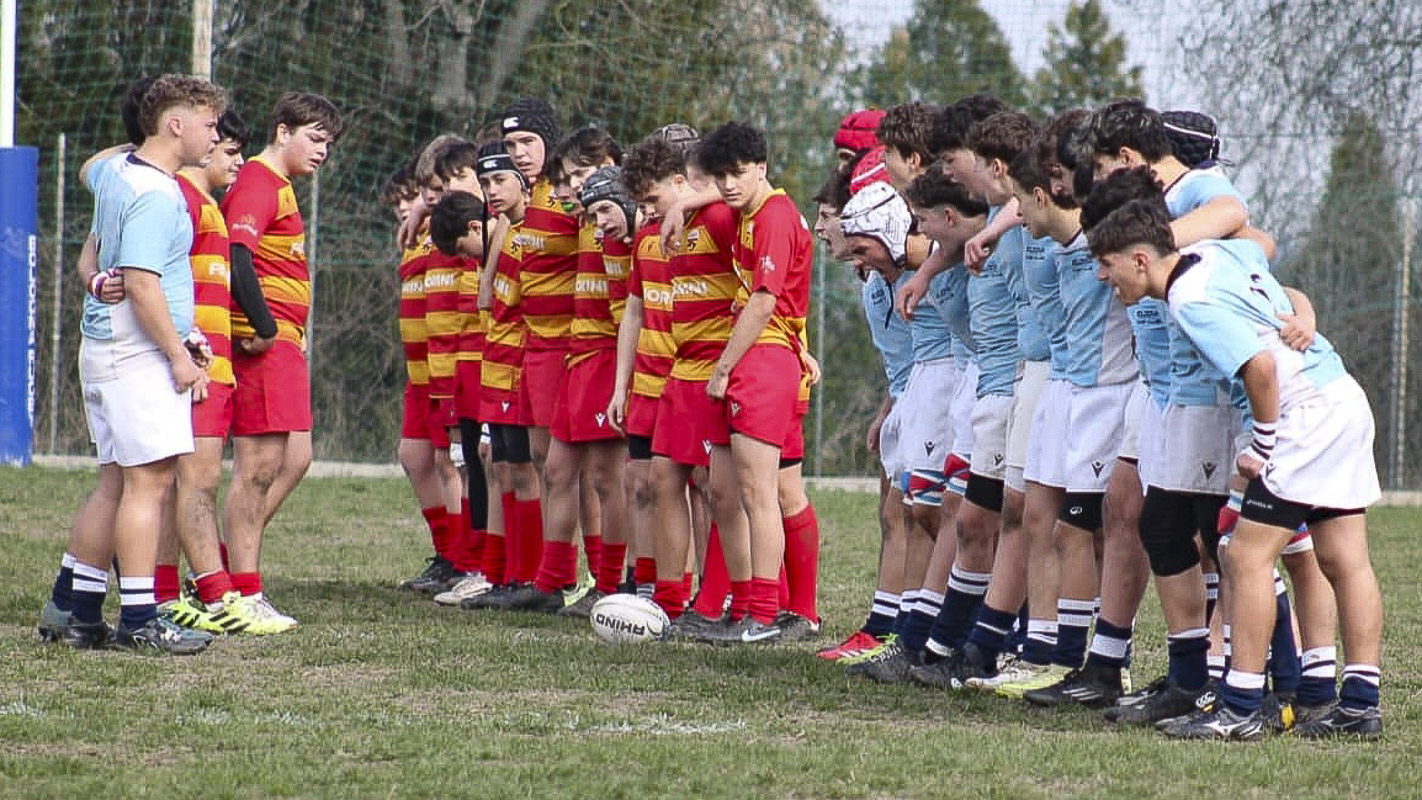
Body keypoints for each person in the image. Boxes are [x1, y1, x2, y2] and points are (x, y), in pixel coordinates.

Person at [1089, 198, 1383, 740]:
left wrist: (1263, 445)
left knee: (1244, 555)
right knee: (1344, 557)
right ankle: (1362, 703)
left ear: (1137, 259)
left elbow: (1262, 368)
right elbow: (1282, 286)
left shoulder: (1189, 299)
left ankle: (1241, 707)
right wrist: (1305, 316)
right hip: (1340, 393)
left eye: (1107, 267)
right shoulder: (1216, 254)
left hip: (1302, 416)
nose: (1106, 280)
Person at [62, 74, 227, 654]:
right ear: (175, 124)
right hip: (137, 355)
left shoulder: (117, 173)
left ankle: (77, 612)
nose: (216, 135)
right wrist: (179, 354)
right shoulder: (159, 193)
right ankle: (139, 619)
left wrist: (93, 280)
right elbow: (142, 283)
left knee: (113, 482)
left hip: (106, 348)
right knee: (148, 484)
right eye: (209, 123)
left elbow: (97, 253)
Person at [155, 107, 293, 635]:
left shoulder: (207, 205)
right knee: (196, 481)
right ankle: (215, 595)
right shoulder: (178, 199)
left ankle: (170, 596)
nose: (237, 161)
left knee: (186, 484)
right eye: (228, 149)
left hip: (217, 366)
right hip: (195, 370)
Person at [221, 91, 342, 625]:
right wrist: (266, 327)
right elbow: (237, 255)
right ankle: (240, 588)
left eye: (328, 143)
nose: (322, 151)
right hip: (264, 349)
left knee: (295, 458)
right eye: (315, 138)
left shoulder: (282, 187)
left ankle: (224, 562)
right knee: (259, 468)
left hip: (285, 346)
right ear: (282, 131)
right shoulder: (257, 181)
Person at [693, 122, 816, 643]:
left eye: (737, 173)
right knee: (767, 491)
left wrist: (722, 369)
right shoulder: (748, 214)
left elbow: (765, 300)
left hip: (761, 365)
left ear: (762, 168)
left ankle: (764, 613)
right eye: (720, 176)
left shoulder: (774, 217)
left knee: (755, 492)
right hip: (771, 357)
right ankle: (782, 610)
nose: (727, 185)